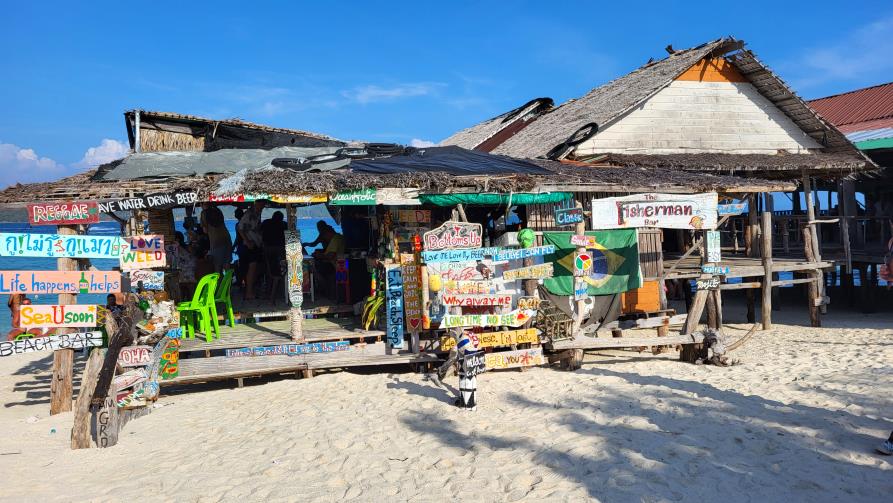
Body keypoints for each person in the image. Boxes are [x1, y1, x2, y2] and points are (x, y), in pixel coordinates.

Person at [304, 221, 345, 300]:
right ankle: (323, 289)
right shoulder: (338, 237)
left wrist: (318, 255)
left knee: (312, 269)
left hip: (334, 264)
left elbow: (330, 256)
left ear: (328, 233)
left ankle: (324, 289)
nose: (324, 238)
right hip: (337, 262)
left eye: (325, 236)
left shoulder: (335, 239)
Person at [237, 200, 265, 301]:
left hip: (255, 244)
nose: (262, 205)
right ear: (256, 203)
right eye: (261, 203)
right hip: (249, 245)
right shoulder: (249, 213)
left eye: (263, 204)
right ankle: (249, 293)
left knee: (254, 269)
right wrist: (247, 241)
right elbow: (240, 228)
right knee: (251, 268)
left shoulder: (257, 214)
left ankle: (250, 291)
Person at [261, 211, 287, 303]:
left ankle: (269, 293)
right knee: (278, 273)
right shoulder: (284, 224)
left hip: (268, 249)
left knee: (269, 272)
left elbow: (260, 233)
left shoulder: (266, 222)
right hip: (280, 250)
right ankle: (273, 296)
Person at [201, 203, 232, 273]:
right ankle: (228, 283)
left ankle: (218, 284)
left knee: (217, 267)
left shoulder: (204, 213)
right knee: (227, 265)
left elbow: (205, 231)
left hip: (216, 241)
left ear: (202, 204)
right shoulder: (218, 210)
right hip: (227, 239)